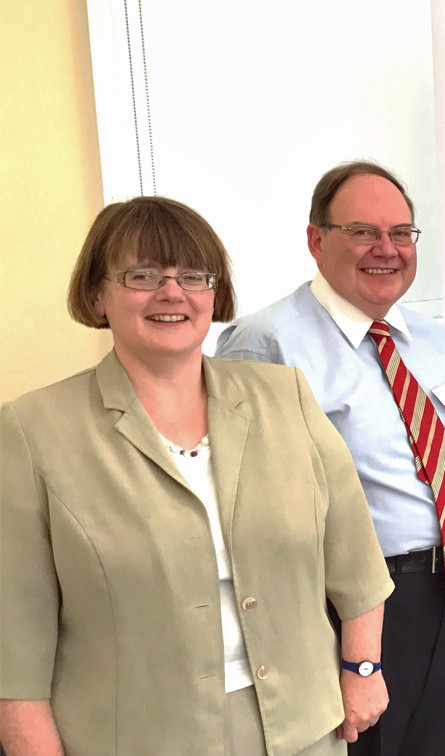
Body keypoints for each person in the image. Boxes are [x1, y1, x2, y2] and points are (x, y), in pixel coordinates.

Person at [0, 197, 393, 755]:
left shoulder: (287, 399)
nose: (172, 293)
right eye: (142, 275)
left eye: (192, 275)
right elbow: (15, 652)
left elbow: (355, 560)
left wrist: (363, 667)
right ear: (96, 294)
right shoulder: (32, 430)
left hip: (304, 732)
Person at [216, 161, 445, 756]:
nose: (386, 250)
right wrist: (353, 658)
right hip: (346, 612)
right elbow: (251, 512)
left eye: (401, 234)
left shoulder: (443, 347)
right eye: (363, 232)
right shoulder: (265, 346)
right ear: (317, 240)